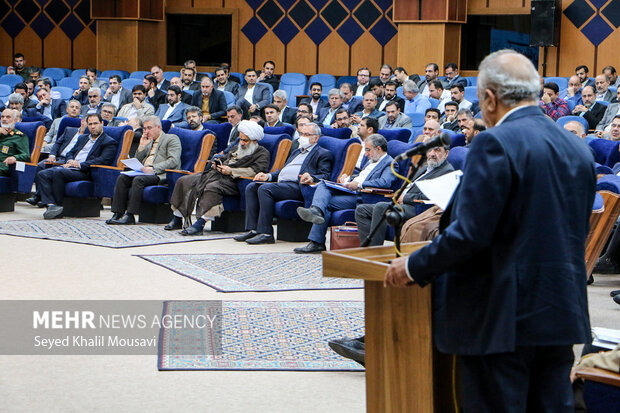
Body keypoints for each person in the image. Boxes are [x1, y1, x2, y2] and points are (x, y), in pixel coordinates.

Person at [384, 49, 596, 412]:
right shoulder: (577, 148)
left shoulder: (494, 142)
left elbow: (472, 233)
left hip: (501, 318)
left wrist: (415, 266)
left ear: (490, 97)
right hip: (559, 312)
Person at [295, 134, 398, 253]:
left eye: (368, 150)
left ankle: (316, 240)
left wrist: (359, 184)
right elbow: (363, 176)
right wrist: (349, 179)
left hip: (365, 196)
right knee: (323, 187)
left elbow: (385, 182)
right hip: (353, 191)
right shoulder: (371, 161)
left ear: (378, 149)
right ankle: (316, 212)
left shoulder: (390, 163)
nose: (366, 154)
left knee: (326, 202)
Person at [233, 122, 333, 245]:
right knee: (252, 186)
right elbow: (283, 171)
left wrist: (311, 177)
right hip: (282, 184)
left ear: (316, 138)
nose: (302, 137)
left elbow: (325, 175)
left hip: (298, 186)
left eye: (307, 134)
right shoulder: (297, 152)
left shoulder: (322, 153)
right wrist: (268, 176)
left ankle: (266, 233)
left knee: (265, 189)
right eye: (301, 133)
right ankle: (253, 229)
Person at [164, 120, 270, 234]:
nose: (242, 143)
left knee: (212, 187)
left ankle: (200, 223)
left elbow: (256, 171)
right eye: (241, 139)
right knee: (184, 181)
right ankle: (177, 218)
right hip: (216, 175)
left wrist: (231, 171)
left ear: (254, 140)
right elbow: (225, 158)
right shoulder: (237, 148)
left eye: (245, 140)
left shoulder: (262, 153)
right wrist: (218, 163)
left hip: (234, 182)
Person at [355, 136, 453, 247]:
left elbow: (430, 195)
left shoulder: (447, 171)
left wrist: (404, 197)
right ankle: (367, 249)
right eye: (430, 150)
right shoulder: (424, 168)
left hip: (420, 209)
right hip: (402, 204)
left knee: (381, 207)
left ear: (446, 153)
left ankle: (374, 253)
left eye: (437, 150)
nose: (432, 153)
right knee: (361, 210)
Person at [36, 114, 118, 219]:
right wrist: (70, 160)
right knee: (42, 174)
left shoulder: (109, 142)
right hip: (71, 167)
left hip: (87, 171)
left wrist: (79, 164)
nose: (93, 127)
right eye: (90, 124)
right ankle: (52, 205)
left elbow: (103, 160)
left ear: (102, 124)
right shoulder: (83, 138)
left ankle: (58, 204)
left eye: (95, 123)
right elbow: (70, 152)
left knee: (58, 173)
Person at [107, 116, 181, 225]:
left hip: (160, 174)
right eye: (144, 128)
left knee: (138, 180)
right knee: (122, 177)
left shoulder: (171, 138)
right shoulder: (149, 141)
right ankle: (118, 213)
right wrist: (141, 147)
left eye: (149, 128)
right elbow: (138, 159)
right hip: (144, 172)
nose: (146, 131)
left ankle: (130, 215)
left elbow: (173, 160)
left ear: (159, 127)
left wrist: (153, 169)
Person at [0, 109, 29, 177]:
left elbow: (25, 155)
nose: (4, 119)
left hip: (5, 167)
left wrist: (15, 158)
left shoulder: (19, 136)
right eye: (2, 117)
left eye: (8, 117)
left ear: (15, 120)